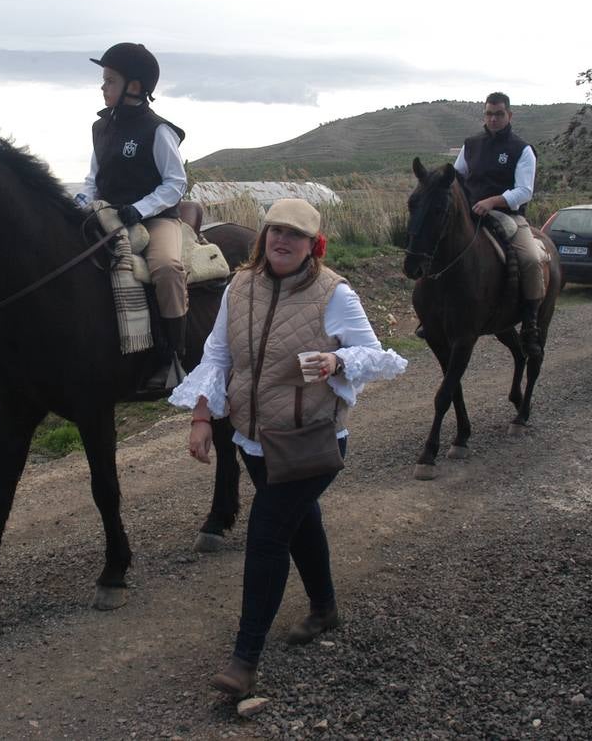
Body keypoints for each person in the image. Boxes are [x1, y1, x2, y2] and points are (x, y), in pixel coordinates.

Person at [170, 199, 407, 699]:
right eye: (276, 230)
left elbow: (377, 355)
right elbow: (217, 354)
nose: (283, 240)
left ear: (312, 245)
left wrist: (337, 360)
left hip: (311, 440)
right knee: (300, 523)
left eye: (295, 235)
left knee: (267, 535)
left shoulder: (333, 293)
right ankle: (324, 608)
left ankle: (244, 659)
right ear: (264, 236)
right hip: (253, 440)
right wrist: (199, 416)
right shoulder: (240, 286)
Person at [79, 42, 189, 391]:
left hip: (155, 219)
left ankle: (174, 357)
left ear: (135, 87)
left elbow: (176, 183)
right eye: (104, 80)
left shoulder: (158, 131)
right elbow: (92, 179)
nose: (102, 87)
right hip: (109, 214)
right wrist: (78, 203)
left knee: (168, 269)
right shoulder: (101, 128)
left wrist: (139, 209)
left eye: (109, 80)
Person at [451, 92, 545, 356]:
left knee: (530, 259)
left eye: (499, 114)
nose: (493, 119)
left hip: (507, 215)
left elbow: (524, 191)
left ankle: (531, 322)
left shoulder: (522, 149)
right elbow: (458, 176)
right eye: (489, 114)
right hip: (471, 213)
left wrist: (493, 201)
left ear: (509, 115)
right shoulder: (471, 145)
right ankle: (432, 314)